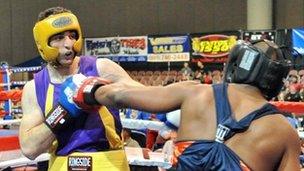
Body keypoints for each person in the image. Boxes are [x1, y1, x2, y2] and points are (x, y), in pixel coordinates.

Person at [65, 40, 301, 170]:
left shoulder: (195, 93)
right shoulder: (283, 131)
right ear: (277, 80)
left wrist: (89, 91)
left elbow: (119, 96)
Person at [19, 7, 141, 171]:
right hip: (61, 165)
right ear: (42, 43)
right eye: (59, 38)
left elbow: (142, 96)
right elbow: (29, 149)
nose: (69, 44)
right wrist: (63, 111)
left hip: (109, 163)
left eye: (72, 36)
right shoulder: (34, 87)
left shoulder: (102, 68)